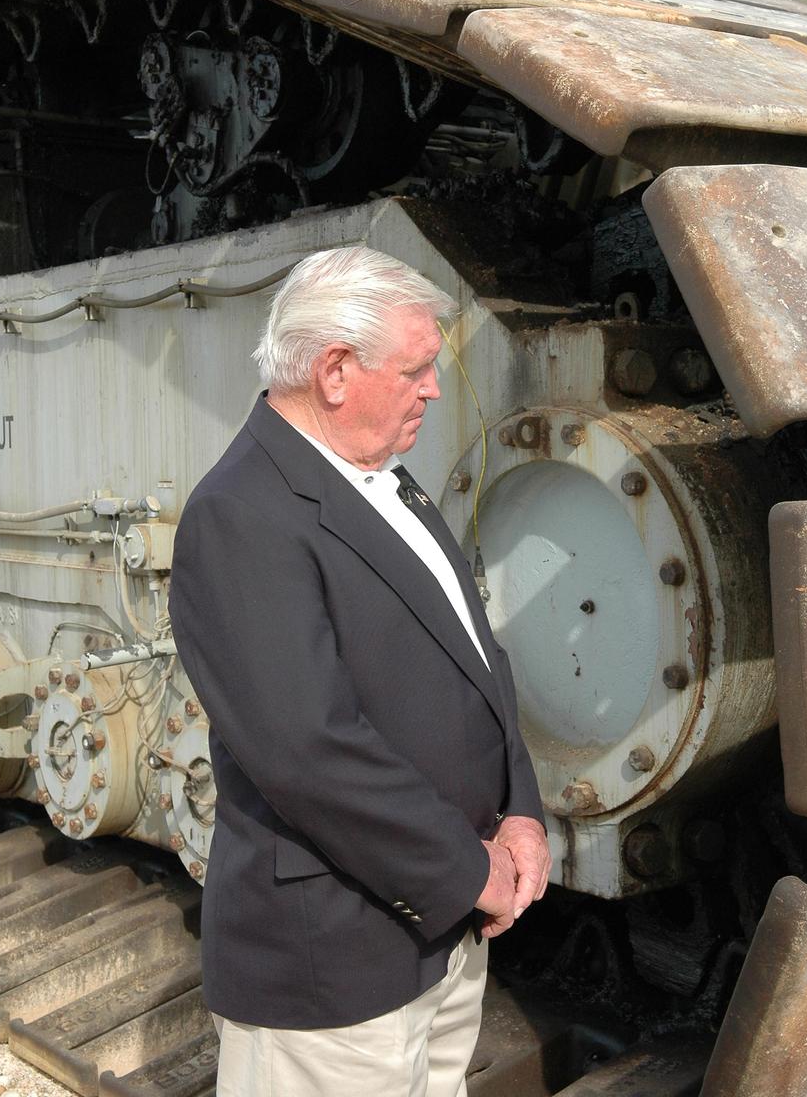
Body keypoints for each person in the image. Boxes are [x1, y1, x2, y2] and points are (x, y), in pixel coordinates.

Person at [168, 245, 551, 1097]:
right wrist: (468, 873)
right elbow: (309, 751)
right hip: (334, 967)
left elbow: (474, 660)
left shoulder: (384, 481)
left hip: (440, 932)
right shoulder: (242, 515)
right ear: (335, 370)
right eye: (416, 368)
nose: (434, 389)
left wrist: (520, 812)